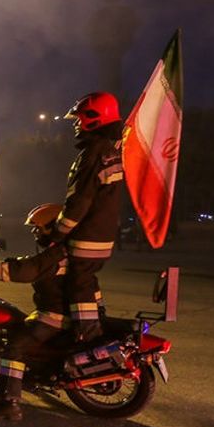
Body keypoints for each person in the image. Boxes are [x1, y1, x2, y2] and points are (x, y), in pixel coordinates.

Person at [0, 203, 70, 422]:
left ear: (52, 226)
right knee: (16, 324)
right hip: (56, 311)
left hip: (53, 315)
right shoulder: (59, 250)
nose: (35, 233)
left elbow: (29, 270)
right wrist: (11, 262)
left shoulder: (56, 253)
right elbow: (32, 263)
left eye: (38, 228)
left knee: (14, 348)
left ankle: (10, 404)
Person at [47, 91, 125, 342]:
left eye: (80, 119)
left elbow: (80, 201)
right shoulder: (109, 151)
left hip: (87, 236)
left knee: (78, 282)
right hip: (102, 234)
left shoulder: (93, 153)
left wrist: (58, 231)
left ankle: (88, 335)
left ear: (94, 118)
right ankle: (98, 317)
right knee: (88, 279)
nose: (77, 125)